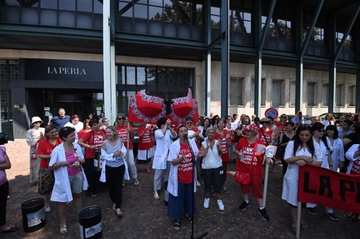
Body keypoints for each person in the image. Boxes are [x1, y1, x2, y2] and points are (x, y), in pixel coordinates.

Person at [281, 125, 322, 232]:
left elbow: (319, 162)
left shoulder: (315, 145)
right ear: (298, 134)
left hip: (309, 177)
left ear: (311, 135)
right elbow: (287, 159)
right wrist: (301, 157)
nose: (304, 137)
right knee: (293, 198)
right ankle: (295, 220)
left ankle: (301, 218)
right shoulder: (291, 144)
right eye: (302, 135)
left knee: (306, 199)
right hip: (293, 175)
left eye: (307, 135)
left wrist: (306, 163)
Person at [48, 127, 86, 235]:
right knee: (62, 200)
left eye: (74, 135)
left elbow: (83, 159)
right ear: (64, 138)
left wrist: (79, 162)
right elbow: (50, 167)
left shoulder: (77, 146)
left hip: (77, 175)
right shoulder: (58, 150)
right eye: (71, 136)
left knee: (77, 195)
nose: (74, 137)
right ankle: (63, 222)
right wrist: (60, 163)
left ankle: (80, 215)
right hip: (64, 178)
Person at [234, 124, 270, 221]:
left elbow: (266, 155)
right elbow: (237, 150)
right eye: (247, 131)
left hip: (256, 170)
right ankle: (246, 200)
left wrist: (268, 160)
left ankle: (261, 207)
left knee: (257, 187)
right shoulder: (242, 141)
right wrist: (239, 153)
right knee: (244, 185)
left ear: (255, 132)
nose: (247, 133)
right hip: (243, 168)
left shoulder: (260, 143)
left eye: (250, 131)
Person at [167, 125, 199, 230]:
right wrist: (180, 159)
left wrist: (201, 154)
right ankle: (177, 218)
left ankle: (188, 213)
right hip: (179, 177)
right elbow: (173, 161)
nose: (183, 133)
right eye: (181, 131)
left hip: (190, 175)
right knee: (178, 198)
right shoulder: (174, 145)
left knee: (189, 197)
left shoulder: (192, 143)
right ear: (178, 134)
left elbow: (196, 156)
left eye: (185, 131)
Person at [307, 122, 338, 221]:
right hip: (313, 168)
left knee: (327, 189)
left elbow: (329, 153)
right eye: (319, 130)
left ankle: (329, 210)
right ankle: (310, 205)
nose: (322, 132)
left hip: (325, 168)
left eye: (322, 131)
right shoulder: (309, 141)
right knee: (313, 187)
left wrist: (331, 166)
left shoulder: (325, 140)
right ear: (314, 131)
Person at [100, 126, 129, 217]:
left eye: (109, 132)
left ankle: (118, 207)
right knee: (111, 186)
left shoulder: (120, 141)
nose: (107, 134)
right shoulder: (105, 143)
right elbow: (104, 156)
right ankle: (114, 201)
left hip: (120, 166)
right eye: (106, 132)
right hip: (109, 167)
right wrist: (114, 155)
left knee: (118, 185)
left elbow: (124, 150)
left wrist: (121, 153)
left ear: (114, 132)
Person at [78, 117, 106, 197]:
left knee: (101, 171)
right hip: (91, 156)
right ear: (91, 127)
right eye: (94, 125)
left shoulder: (103, 132)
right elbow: (79, 141)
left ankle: (102, 186)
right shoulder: (89, 134)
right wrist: (88, 146)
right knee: (91, 173)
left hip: (102, 155)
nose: (96, 126)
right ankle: (92, 189)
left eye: (97, 124)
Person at [36, 125, 62, 212]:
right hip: (45, 167)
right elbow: (40, 155)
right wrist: (50, 156)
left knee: (59, 184)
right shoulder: (42, 143)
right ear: (47, 134)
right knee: (46, 186)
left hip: (58, 166)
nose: (54, 134)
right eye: (52, 132)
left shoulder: (60, 141)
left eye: (55, 132)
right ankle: (46, 203)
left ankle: (60, 200)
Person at [199, 128, 224, 211]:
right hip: (207, 166)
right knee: (207, 183)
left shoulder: (217, 142)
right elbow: (201, 154)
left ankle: (219, 200)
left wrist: (219, 148)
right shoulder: (203, 143)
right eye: (209, 133)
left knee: (217, 183)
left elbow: (221, 153)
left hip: (217, 166)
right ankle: (207, 198)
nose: (211, 134)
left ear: (214, 134)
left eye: (212, 133)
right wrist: (205, 150)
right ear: (207, 134)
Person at [153, 117, 177, 200]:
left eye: (165, 124)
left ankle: (167, 186)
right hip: (160, 156)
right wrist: (166, 125)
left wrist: (170, 128)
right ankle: (156, 189)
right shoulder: (157, 132)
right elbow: (162, 134)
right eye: (163, 124)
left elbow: (175, 135)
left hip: (168, 155)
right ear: (160, 124)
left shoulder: (168, 131)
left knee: (168, 172)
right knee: (158, 174)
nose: (164, 125)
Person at [0, 133, 19, 234]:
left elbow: (8, 165)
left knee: (2, 205)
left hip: (3, 182)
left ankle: (3, 225)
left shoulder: (2, 149)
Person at [115, 113, 139, 186]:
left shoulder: (128, 126)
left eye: (123, 118)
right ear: (117, 120)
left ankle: (135, 178)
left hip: (129, 147)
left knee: (131, 163)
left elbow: (132, 137)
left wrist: (130, 132)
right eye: (119, 119)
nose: (121, 120)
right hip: (120, 148)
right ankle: (122, 179)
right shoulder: (115, 128)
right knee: (122, 164)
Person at [214, 118, 232, 193]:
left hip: (224, 155)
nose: (221, 125)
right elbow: (213, 145)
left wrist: (227, 139)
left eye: (222, 123)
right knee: (215, 171)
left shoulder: (226, 132)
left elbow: (229, 145)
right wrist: (220, 139)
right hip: (216, 155)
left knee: (224, 171)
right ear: (217, 124)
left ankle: (222, 185)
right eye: (219, 123)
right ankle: (215, 186)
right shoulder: (214, 133)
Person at [26, 116, 45, 183]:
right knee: (35, 164)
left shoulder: (43, 129)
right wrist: (38, 140)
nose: (38, 123)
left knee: (43, 162)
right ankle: (35, 178)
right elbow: (29, 142)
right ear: (33, 123)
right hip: (35, 149)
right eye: (36, 122)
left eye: (39, 122)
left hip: (43, 148)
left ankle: (43, 177)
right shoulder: (30, 131)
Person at [345, 144, 360, 221]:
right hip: (352, 176)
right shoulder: (355, 146)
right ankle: (352, 210)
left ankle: (355, 213)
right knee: (353, 194)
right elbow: (347, 155)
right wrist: (358, 152)